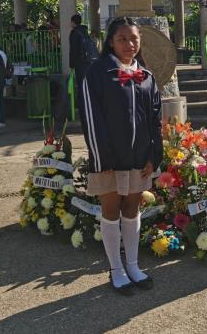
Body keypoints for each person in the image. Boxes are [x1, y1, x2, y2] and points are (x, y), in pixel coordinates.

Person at [82, 17, 162, 294]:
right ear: (110, 42)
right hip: (109, 160)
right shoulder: (97, 72)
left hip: (139, 159)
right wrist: (101, 158)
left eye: (134, 39)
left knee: (132, 210)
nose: (129, 44)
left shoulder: (147, 76)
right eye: (122, 39)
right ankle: (116, 269)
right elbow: (91, 117)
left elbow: (155, 120)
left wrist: (154, 154)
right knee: (111, 211)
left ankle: (134, 266)